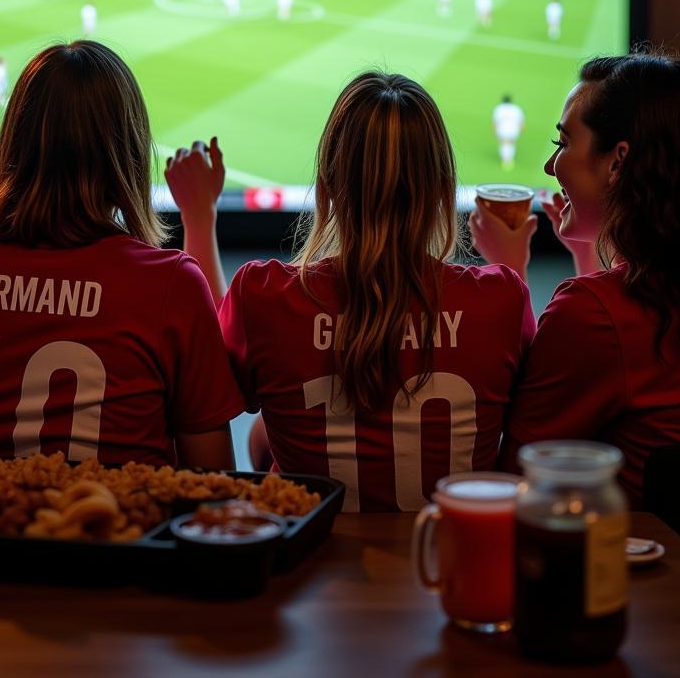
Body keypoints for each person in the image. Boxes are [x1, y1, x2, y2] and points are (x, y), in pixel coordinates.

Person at [167, 74, 535, 511]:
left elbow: (207, 371)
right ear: (442, 193)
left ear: (325, 190)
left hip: (312, 564)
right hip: (448, 558)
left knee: (265, 434)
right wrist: (512, 265)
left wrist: (198, 218)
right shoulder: (502, 298)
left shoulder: (262, 295)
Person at [0, 41, 243, 470]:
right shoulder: (168, 282)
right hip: (121, 529)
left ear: (14, 143)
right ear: (128, 152)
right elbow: (213, 479)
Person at [470, 54, 680, 505]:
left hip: (657, 563)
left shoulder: (593, 312)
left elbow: (519, 477)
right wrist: (589, 257)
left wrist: (508, 275)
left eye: (562, 143)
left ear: (618, 161)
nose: (549, 165)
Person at [493, 94, 526, 171]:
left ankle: (505, 160)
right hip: (514, 130)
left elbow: (495, 122)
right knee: (511, 143)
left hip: (502, 130)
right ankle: (510, 159)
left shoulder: (499, 109)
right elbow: (521, 121)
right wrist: (522, 129)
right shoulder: (516, 109)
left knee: (504, 144)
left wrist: (494, 131)